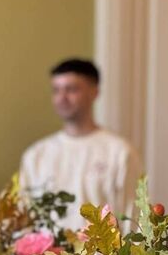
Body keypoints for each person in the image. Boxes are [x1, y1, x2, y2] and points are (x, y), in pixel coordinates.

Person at [19, 58, 141, 230]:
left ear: (94, 92)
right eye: (56, 90)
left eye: (71, 89)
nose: (62, 98)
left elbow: (132, 218)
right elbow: (24, 220)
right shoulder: (36, 155)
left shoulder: (120, 152)